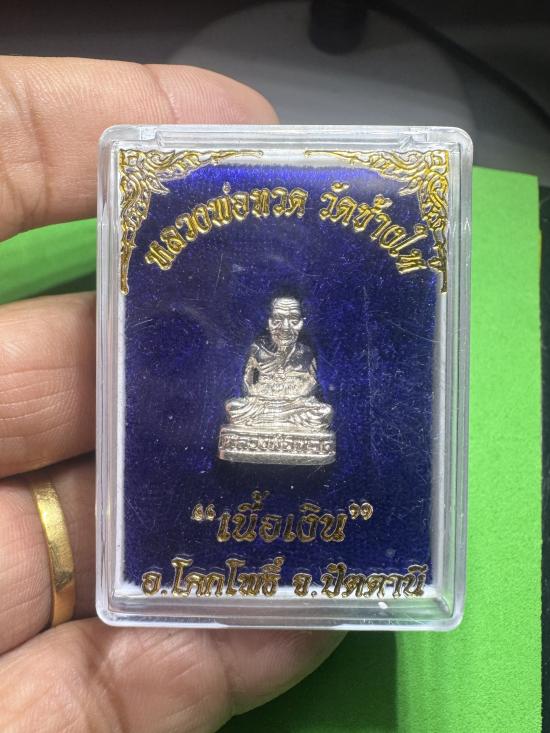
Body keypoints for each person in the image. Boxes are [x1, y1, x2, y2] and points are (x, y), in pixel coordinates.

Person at [0, 57, 343, 732]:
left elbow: (304, 385)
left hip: (292, 413)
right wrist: (269, 390)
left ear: (298, 323)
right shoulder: (258, 346)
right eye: (276, 322)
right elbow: (249, 387)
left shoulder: (301, 350)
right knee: (243, 410)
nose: (281, 329)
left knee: (315, 410)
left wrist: (289, 388)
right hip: (261, 413)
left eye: (288, 322)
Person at [225, 297, 334, 430]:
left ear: (301, 323)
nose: (285, 327)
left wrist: (294, 393)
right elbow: (248, 382)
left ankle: (269, 421)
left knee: (325, 412)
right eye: (278, 319)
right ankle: (278, 420)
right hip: (261, 404)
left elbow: (312, 383)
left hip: (296, 406)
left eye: (294, 320)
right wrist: (263, 391)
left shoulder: (306, 353)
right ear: (269, 322)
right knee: (233, 407)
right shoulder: (257, 350)